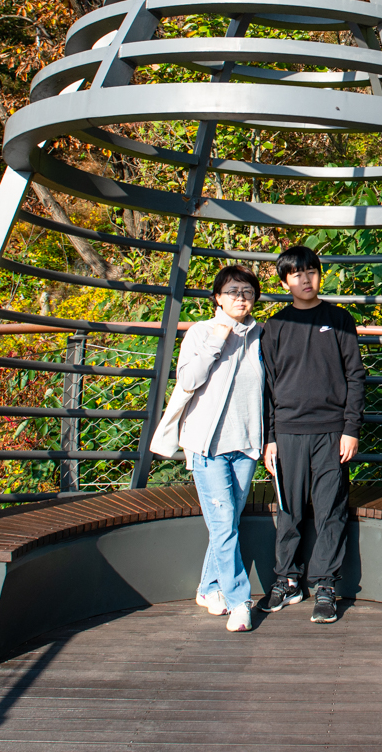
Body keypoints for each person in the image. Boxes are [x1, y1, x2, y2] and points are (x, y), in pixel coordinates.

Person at [153, 265, 265, 632]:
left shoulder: (261, 336)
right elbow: (187, 380)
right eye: (233, 291)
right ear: (217, 297)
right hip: (208, 444)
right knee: (223, 524)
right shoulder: (201, 332)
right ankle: (239, 601)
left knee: (227, 522)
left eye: (247, 291)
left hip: (246, 444)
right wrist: (218, 340)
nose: (240, 297)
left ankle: (208, 586)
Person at [258, 244, 365, 624]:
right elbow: (268, 387)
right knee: (288, 512)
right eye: (297, 273)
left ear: (320, 274)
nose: (306, 279)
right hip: (286, 434)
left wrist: (350, 429)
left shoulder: (338, 319)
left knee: (329, 510)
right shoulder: (274, 326)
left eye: (312, 271)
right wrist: (269, 437)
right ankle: (287, 581)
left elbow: (355, 376)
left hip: (331, 433)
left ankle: (326, 586)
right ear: (285, 280)